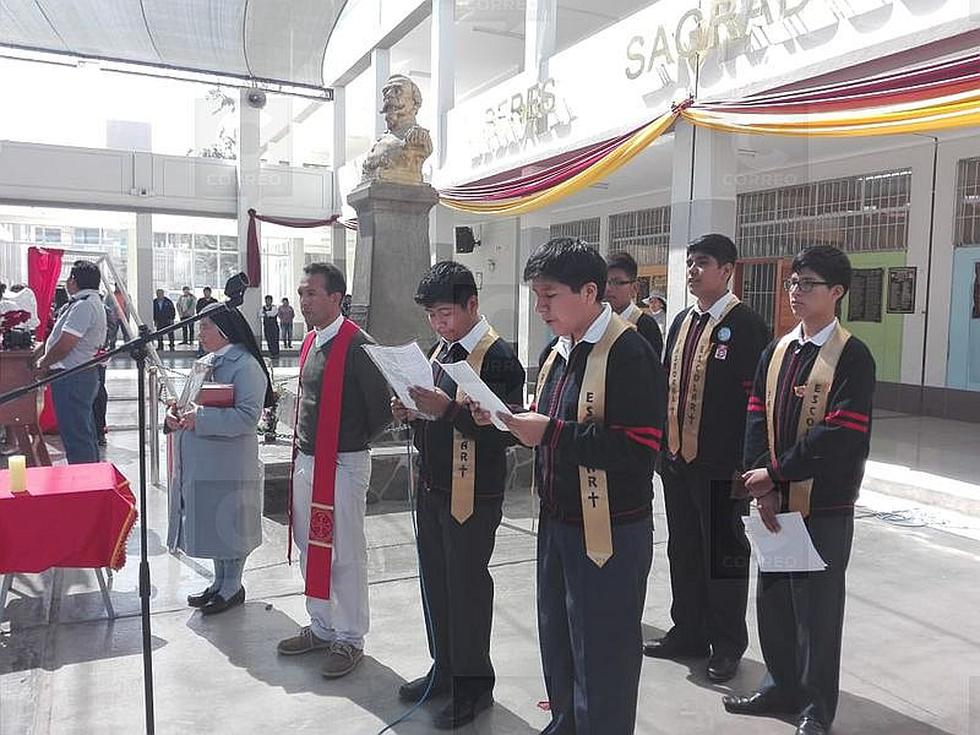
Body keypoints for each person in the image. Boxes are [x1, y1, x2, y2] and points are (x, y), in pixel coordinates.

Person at [471, 238, 665, 735]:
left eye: (549, 295)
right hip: (557, 521)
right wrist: (506, 421)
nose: (540, 308)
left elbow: (640, 447)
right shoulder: (557, 352)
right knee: (558, 638)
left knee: (604, 651)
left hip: (608, 532)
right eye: (536, 295)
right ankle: (566, 722)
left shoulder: (629, 352)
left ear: (589, 291)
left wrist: (551, 432)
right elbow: (551, 424)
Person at [724, 246, 875, 735]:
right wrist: (759, 482)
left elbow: (842, 432)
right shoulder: (778, 349)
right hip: (774, 503)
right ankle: (780, 685)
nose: (795, 292)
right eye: (792, 282)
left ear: (837, 292)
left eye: (807, 283)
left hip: (824, 506)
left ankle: (815, 705)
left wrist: (776, 472)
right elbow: (753, 417)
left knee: (818, 609)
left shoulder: (852, 356)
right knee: (774, 602)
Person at [390, 262, 525, 730]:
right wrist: (413, 413)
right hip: (434, 486)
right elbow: (437, 415)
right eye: (431, 316)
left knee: (466, 588)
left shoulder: (500, 357)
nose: (439, 324)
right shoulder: (438, 352)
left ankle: (474, 685)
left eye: (446, 314)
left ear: (473, 305)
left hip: (474, 494)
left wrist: (446, 409)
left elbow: (507, 431)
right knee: (437, 583)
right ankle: (444, 669)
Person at [642, 234, 771, 684]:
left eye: (704, 263)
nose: (693, 270)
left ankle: (727, 643)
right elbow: (665, 385)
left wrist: (749, 463)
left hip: (723, 464)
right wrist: (660, 447)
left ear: (728, 270)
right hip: (679, 460)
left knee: (723, 555)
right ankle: (689, 631)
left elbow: (758, 403)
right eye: (690, 262)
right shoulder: (681, 321)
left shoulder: (748, 326)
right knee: (684, 548)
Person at [276, 262, 392, 678]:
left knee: (344, 551)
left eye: (311, 293)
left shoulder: (357, 346)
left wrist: (347, 441)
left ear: (335, 298)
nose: (304, 301)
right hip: (308, 460)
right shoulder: (310, 341)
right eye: (302, 293)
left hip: (343, 462)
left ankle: (349, 637)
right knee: (313, 545)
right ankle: (321, 625)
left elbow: (381, 411)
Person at [166, 302, 275, 616]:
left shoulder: (246, 366)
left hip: (230, 461)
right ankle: (218, 583)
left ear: (223, 331)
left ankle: (233, 586)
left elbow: (247, 417)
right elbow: (187, 402)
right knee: (213, 524)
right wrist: (174, 415)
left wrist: (199, 417)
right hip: (204, 461)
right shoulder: (204, 363)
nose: (199, 333)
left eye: (205, 327)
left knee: (231, 525)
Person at [34, 260, 107, 464]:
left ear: (74, 280)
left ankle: (84, 480)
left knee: (76, 435)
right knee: (83, 431)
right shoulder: (89, 302)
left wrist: (43, 363)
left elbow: (66, 344)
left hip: (72, 376)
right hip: (77, 375)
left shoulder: (84, 306)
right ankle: (90, 475)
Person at [604, 251, 664, 359]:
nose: (608, 289)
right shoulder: (598, 322)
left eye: (617, 282)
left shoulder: (646, 327)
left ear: (635, 288)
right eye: (605, 282)